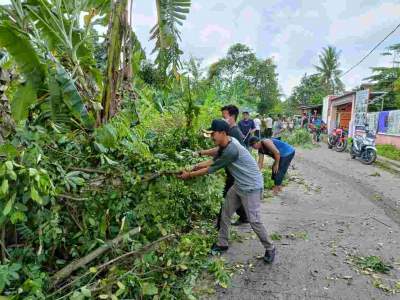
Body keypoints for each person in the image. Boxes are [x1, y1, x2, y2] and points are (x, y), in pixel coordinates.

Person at [178, 119, 276, 263]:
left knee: (254, 221)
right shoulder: (227, 142)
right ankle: (222, 243)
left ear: (223, 133)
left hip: (251, 187)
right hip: (239, 185)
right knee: (225, 212)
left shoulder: (231, 150)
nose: (211, 137)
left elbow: (211, 167)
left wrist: (189, 174)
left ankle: (270, 248)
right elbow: (216, 153)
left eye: (213, 134)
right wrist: (196, 164)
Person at [196, 105, 248, 227]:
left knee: (226, 199)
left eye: (224, 116)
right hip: (236, 172)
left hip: (236, 173)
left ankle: (220, 227)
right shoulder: (231, 132)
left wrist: (191, 172)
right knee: (233, 196)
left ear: (232, 117)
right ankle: (244, 216)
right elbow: (219, 151)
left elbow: (216, 160)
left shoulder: (234, 132)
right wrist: (201, 154)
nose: (223, 119)